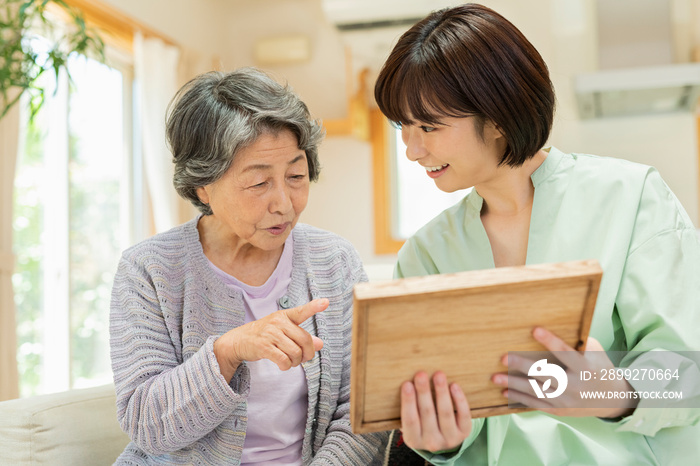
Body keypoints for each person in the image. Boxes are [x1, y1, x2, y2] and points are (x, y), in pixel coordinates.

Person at [374, 3, 700, 465]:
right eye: (402, 127)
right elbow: (448, 430)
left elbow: (690, 374)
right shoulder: (426, 256)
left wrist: (611, 393)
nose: (411, 150)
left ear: (498, 116)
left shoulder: (631, 198)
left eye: (428, 126)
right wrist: (441, 439)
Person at [109, 67, 388, 465]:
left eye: (296, 175)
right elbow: (147, 424)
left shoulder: (335, 261)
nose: (284, 203)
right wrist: (229, 350)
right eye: (259, 183)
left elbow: (361, 411)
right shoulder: (149, 270)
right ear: (203, 184)